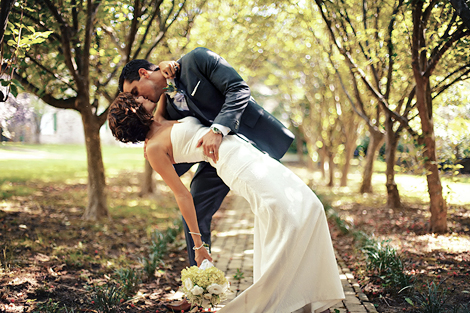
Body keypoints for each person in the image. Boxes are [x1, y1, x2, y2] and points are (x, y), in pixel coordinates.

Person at [107, 93, 345, 313]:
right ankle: (278, 299)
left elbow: (160, 89)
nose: (142, 95)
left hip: (247, 151)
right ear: (133, 111)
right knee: (286, 218)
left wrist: (164, 69)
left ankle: (301, 293)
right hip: (233, 164)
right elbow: (182, 195)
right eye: (136, 97)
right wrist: (199, 247)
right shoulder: (154, 149)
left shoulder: (160, 118)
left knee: (310, 205)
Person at [118, 47, 295, 268]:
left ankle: (291, 262)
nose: (138, 99)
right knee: (194, 210)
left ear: (144, 73)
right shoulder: (165, 108)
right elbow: (171, 149)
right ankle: (201, 286)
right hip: (213, 159)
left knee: (279, 206)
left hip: (246, 140)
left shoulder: (197, 60)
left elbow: (238, 89)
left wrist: (218, 130)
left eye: (135, 92)